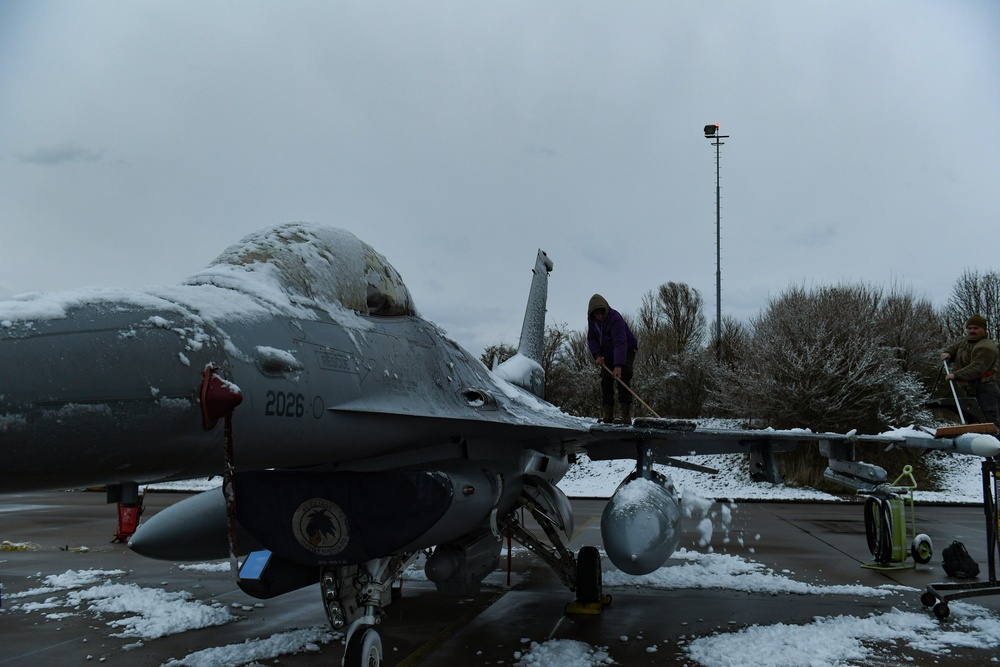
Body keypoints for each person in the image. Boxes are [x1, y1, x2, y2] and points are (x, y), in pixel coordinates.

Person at [587, 294, 639, 424]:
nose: (599, 316)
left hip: (626, 349)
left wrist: (619, 365)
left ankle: (625, 415)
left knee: (622, 375)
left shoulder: (615, 319)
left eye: (601, 313)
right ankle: (608, 414)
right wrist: (597, 355)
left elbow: (620, 342)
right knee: (605, 379)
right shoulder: (592, 322)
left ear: (605, 310)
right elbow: (592, 339)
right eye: (596, 314)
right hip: (608, 351)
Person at [941, 314, 1000, 429]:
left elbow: (976, 368)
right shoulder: (967, 341)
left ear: (983, 329)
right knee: (974, 421)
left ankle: (996, 444)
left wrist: (955, 375)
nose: (972, 331)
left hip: (985, 389)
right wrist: (948, 353)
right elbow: (955, 348)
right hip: (970, 388)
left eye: (976, 328)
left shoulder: (986, 347)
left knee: (989, 422)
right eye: (970, 328)